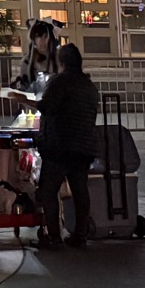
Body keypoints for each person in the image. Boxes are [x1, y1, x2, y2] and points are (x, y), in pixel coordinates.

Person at [34, 44, 99, 247]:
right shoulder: (89, 86)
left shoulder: (59, 81)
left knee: (49, 191)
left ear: (61, 62)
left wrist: (23, 100)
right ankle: (80, 234)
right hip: (83, 146)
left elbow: (47, 107)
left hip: (59, 145)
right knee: (80, 190)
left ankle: (54, 236)